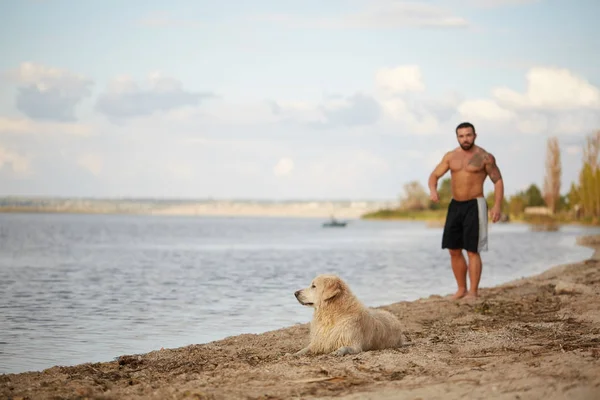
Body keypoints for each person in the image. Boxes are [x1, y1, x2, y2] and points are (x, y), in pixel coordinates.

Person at [428, 122, 504, 300]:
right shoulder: (451, 156)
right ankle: (461, 289)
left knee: (472, 250)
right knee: (453, 249)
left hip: (475, 205)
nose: (465, 139)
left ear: (475, 135)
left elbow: (498, 181)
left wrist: (497, 205)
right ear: (457, 137)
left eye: (468, 135)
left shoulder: (484, 157)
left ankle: (473, 292)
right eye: (461, 136)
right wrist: (433, 189)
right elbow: (434, 175)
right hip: (455, 205)